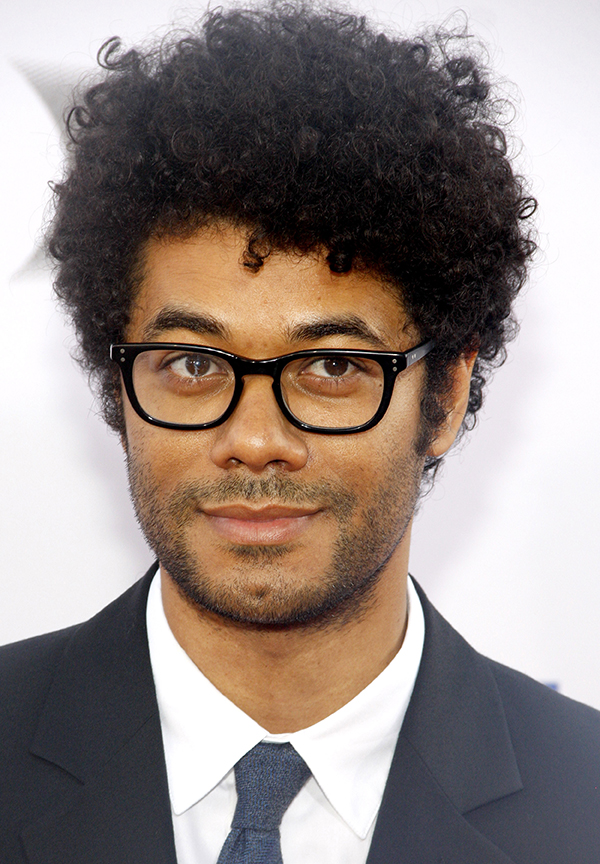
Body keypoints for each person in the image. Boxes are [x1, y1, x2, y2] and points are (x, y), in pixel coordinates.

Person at [1, 5, 598, 863]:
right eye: (194, 364)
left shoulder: (587, 799)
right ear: (117, 385)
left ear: (447, 392)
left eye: (329, 370)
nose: (254, 440)